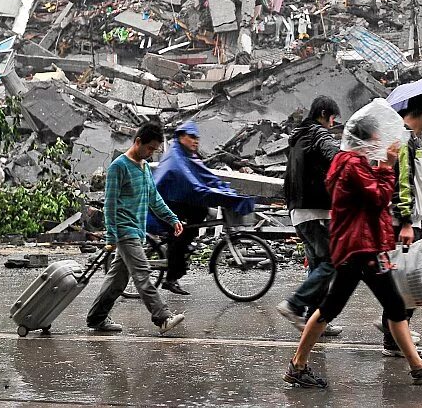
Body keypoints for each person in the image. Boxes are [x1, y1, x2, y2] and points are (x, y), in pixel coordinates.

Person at [284, 116, 422, 388]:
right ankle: (298, 365)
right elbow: (378, 198)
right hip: (360, 248)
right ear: (366, 140)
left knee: (383, 306)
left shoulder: (353, 163)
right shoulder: (352, 165)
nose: (381, 142)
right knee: (340, 308)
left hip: (361, 246)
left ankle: (417, 365)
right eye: (377, 138)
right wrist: (387, 166)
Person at [86, 121, 186, 335]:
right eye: (149, 148)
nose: (151, 154)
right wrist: (111, 237)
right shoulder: (118, 167)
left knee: (117, 281)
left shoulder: (145, 168)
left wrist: (172, 219)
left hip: (138, 231)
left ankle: (96, 318)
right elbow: (110, 204)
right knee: (142, 273)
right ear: (137, 141)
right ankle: (163, 318)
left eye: (155, 150)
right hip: (124, 231)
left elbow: (154, 199)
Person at [377, 92, 422, 357]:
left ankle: (394, 329)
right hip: (403, 222)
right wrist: (407, 222)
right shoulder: (404, 139)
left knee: (410, 276)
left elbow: (419, 187)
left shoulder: (412, 141)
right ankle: (393, 331)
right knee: (414, 275)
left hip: (409, 220)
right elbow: (401, 185)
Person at [152, 121, 255, 295]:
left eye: (197, 138)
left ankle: (184, 246)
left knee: (201, 212)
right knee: (179, 234)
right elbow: (195, 186)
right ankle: (170, 278)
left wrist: (226, 189)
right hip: (165, 204)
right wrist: (221, 196)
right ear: (181, 137)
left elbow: (207, 176)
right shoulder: (176, 158)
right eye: (191, 137)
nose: (196, 141)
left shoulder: (189, 155)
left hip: (179, 200)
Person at [277, 97, 342, 337]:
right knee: (332, 262)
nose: (332, 124)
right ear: (324, 114)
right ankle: (294, 304)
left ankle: (316, 320)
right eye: (332, 118)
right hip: (316, 209)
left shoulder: (298, 138)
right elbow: (335, 155)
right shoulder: (318, 133)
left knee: (317, 265)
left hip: (298, 211)